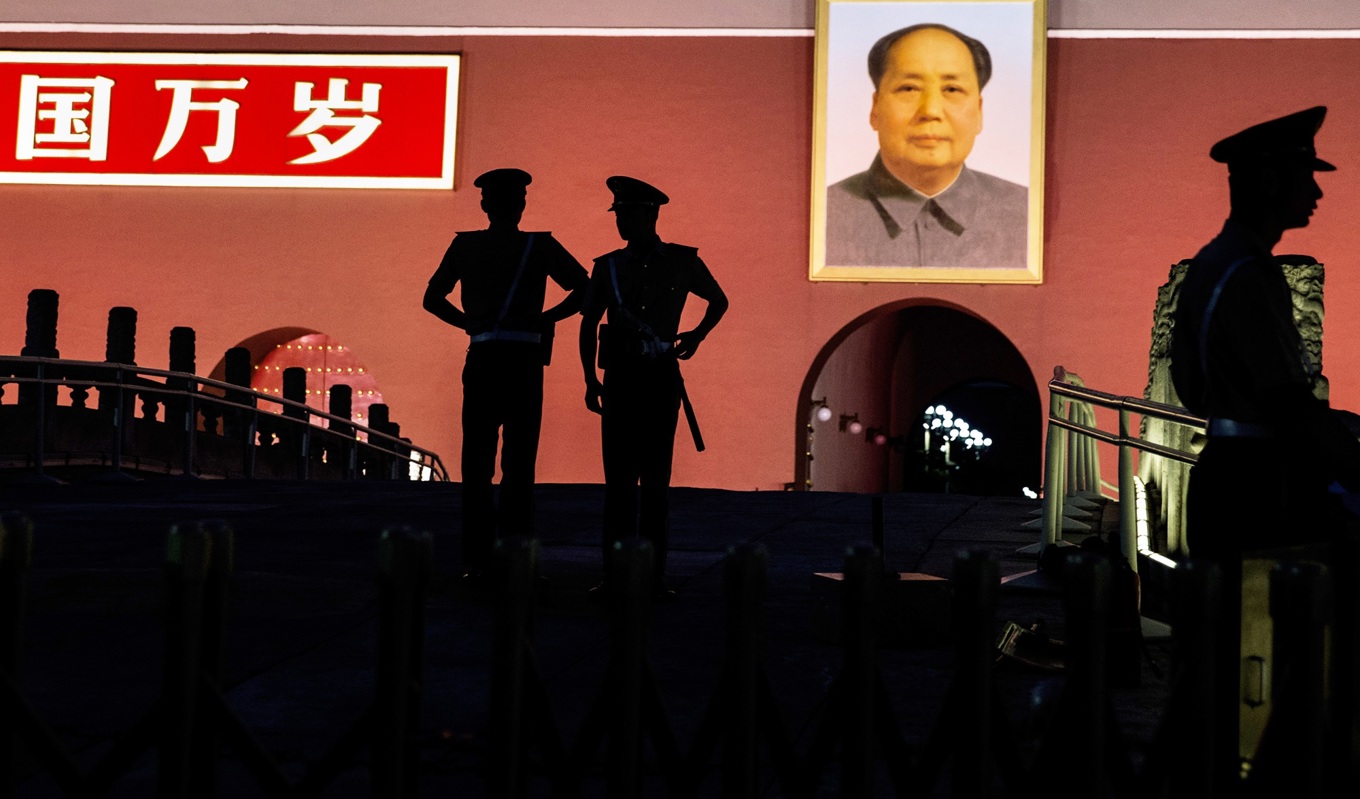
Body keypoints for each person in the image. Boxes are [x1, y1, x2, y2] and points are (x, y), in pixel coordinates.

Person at [1168, 106, 1360, 790]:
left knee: (1220, 656)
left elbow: (1192, 388)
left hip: (1226, 474)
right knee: (1270, 660)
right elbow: (1288, 404)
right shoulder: (1250, 274)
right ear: (1269, 179)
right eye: (1306, 175)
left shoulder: (1211, 266)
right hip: (1262, 488)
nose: (1315, 191)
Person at [424, 167, 589, 585]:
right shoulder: (540, 246)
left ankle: (476, 562)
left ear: (484, 204)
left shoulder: (465, 246)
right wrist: (546, 317)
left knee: (476, 463)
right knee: (520, 464)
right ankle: (517, 557)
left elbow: (432, 299)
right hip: (525, 360)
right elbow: (584, 289)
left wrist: (468, 323)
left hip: (481, 355)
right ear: (522, 204)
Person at [579, 176, 728, 600]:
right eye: (618, 214)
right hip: (621, 379)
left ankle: (653, 577)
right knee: (619, 486)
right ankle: (615, 576)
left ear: (651, 214)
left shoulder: (682, 261)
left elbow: (718, 300)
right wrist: (590, 379)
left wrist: (696, 335)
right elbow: (588, 323)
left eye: (627, 213)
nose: (620, 221)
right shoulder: (606, 265)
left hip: (660, 377)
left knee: (656, 486)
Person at [825, 23, 1027, 269]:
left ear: (979, 112)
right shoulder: (824, 214)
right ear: (875, 109)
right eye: (909, 88)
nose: (930, 111)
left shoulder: (1027, 215)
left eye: (952, 89)